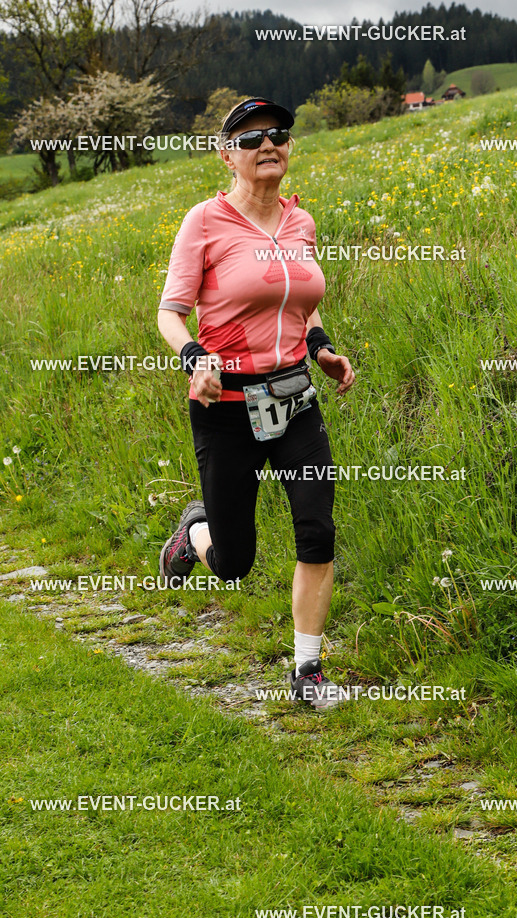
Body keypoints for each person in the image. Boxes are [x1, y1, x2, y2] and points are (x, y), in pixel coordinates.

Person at [156, 97, 356, 710]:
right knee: (235, 563)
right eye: (251, 139)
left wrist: (320, 346)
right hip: (226, 407)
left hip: (294, 396)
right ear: (227, 156)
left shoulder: (301, 223)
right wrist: (196, 357)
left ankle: (307, 672)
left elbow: (300, 298)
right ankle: (196, 532)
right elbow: (171, 311)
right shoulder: (205, 222)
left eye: (279, 134)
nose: (269, 144)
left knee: (317, 529)